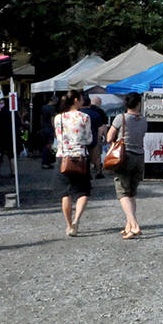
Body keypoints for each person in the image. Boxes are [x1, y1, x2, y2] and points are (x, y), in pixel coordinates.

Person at [106, 93, 149, 238]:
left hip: (124, 157)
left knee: (122, 192)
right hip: (139, 156)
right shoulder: (144, 120)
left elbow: (109, 137)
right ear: (138, 104)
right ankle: (129, 225)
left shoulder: (121, 118)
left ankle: (134, 224)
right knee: (132, 192)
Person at [54, 89, 92, 236]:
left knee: (65, 193)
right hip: (81, 156)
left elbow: (58, 137)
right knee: (83, 191)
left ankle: (69, 225)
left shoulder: (59, 118)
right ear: (76, 99)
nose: (83, 100)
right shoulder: (84, 117)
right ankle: (76, 220)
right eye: (81, 98)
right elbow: (89, 139)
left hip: (63, 157)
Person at [82, 93, 108, 178]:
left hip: (81, 139)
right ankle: (98, 172)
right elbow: (101, 127)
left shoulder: (78, 113)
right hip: (93, 138)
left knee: (84, 156)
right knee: (97, 156)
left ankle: (86, 172)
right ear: (90, 103)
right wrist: (100, 137)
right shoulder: (96, 113)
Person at [0, 99, 16, 179]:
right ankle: (13, 172)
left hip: (0, 137)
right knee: (11, 155)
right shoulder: (12, 112)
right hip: (10, 136)